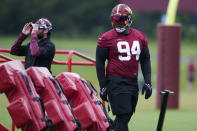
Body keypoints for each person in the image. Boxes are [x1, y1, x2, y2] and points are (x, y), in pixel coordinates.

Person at [96, 4, 152, 131]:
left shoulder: (140, 37)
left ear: (130, 19)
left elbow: (145, 60)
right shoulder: (106, 38)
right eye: (115, 20)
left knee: (127, 115)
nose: (118, 23)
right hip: (115, 81)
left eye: (122, 20)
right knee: (123, 115)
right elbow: (99, 62)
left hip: (132, 82)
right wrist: (103, 85)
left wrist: (148, 82)